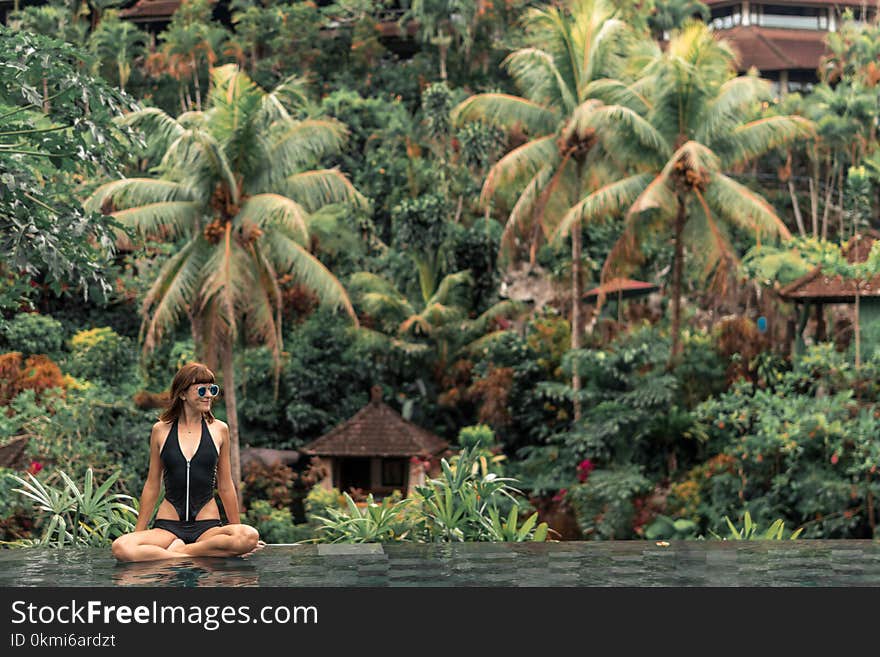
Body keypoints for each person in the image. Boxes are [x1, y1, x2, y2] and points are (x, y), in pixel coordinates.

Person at [112, 363, 264, 562]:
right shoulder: (161, 430)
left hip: (207, 527)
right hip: (168, 527)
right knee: (122, 547)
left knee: (248, 536)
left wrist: (235, 534)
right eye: (202, 389)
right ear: (182, 394)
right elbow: (152, 484)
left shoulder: (219, 429)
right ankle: (189, 551)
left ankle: (181, 553)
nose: (209, 394)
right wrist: (138, 534)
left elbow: (225, 485)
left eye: (212, 389)